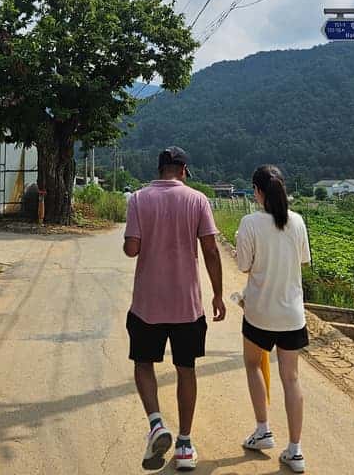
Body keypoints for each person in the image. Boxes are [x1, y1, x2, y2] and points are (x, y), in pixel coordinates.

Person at [123, 146, 226, 471]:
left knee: (143, 363)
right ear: (182, 170)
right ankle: (184, 445)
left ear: (159, 169)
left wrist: (139, 237)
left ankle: (156, 423)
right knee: (186, 369)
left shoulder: (138, 199)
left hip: (147, 304)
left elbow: (131, 249)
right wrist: (218, 295)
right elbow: (210, 249)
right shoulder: (197, 200)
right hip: (187, 305)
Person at [235, 165, 311, 474]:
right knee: (291, 379)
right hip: (292, 315)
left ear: (257, 191)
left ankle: (263, 430)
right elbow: (302, 261)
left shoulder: (250, 223)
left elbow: (243, 265)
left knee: (253, 365)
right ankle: (295, 450)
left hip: (259, 312)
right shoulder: (297, 221)